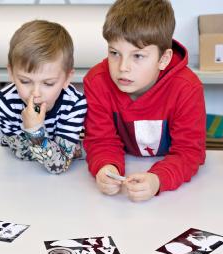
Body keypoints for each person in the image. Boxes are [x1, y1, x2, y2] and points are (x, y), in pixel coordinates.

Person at [83, 0, 206, 202]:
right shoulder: (96, 81)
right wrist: (106, 167)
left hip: (175, 199)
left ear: (164, 59)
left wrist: (158, 179)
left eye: (138, 56)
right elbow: (100, 141)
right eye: (114, 53)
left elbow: (189, 152)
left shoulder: (187, 88)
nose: (123, 67)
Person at [0, 20, 87, 174]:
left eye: (48, 83)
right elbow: (21, 155)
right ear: (11, 73)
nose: (35, 93)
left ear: (67, 78)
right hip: (19, 174)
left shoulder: (75, 104)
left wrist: (34, 132)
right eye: (25, 81)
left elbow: (59, 166)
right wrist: (36, 133)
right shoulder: (4, 102)